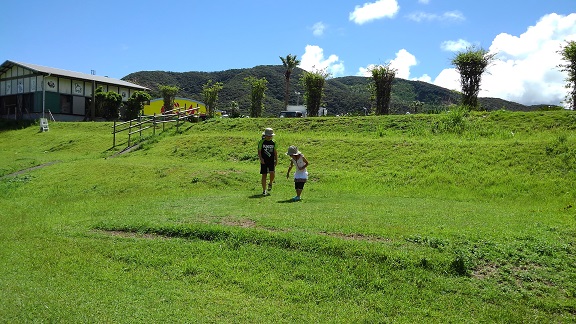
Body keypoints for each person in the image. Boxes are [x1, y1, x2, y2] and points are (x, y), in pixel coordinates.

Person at [258, 128, 278, 195]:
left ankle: (270, 183)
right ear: (265, 135)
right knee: (264, 175)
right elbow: (259, 151)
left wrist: (276, 160)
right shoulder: (261, 142)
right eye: (268, 135)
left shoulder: (273, 142)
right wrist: (261, 159)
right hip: (264, 160)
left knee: (272, 173)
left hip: (271, 160)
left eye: (271, 135)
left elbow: (275, 152)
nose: (270, 137)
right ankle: (264, 190)